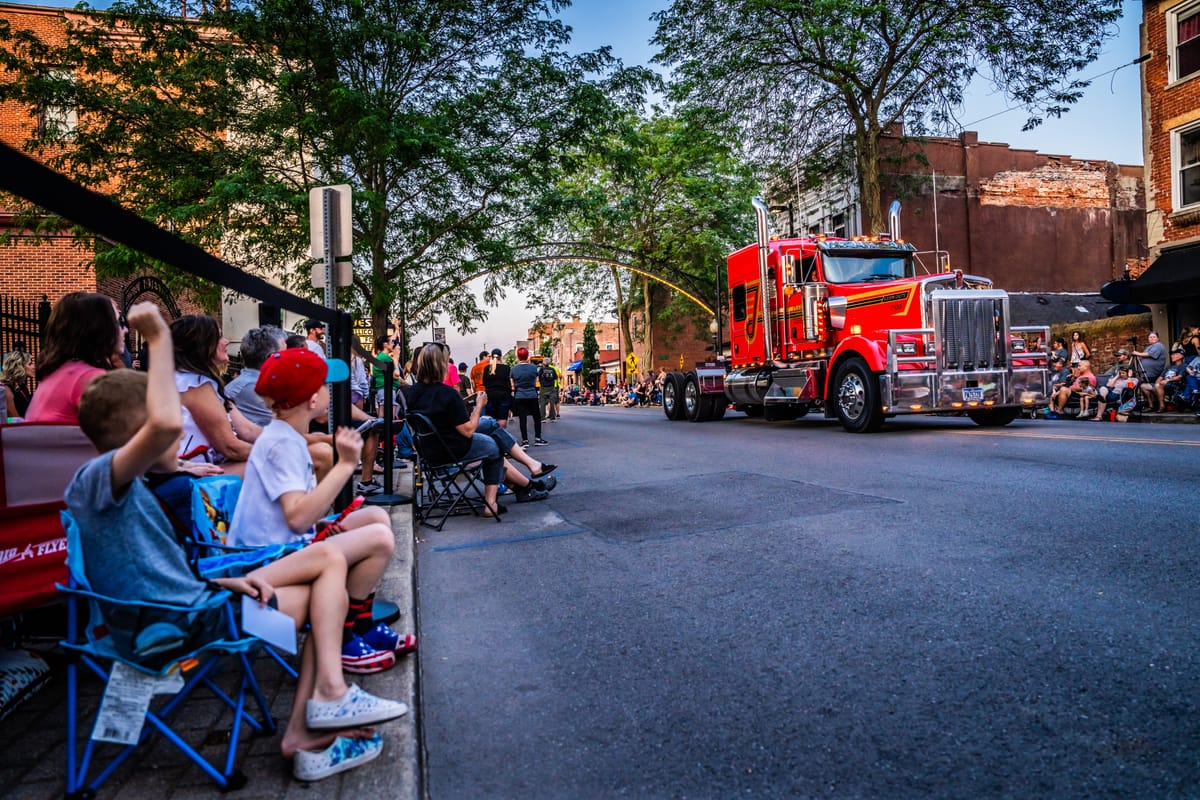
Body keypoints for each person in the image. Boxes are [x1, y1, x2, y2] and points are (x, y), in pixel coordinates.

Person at [68, 302, 407, 782]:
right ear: (140, 433)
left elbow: (169, 565)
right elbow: (164, 426)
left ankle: (311, 727)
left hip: (198, 601)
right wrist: (159, 339)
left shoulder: (129, 486)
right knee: (328, 566)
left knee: (325, 582)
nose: (179, 432)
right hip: (172, 626)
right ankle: (322, 706)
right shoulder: (97, 483)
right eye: (169, 423)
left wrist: (227, 577)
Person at [227, 347, 416, 673]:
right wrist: (344, 466)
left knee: (375, 516)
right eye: (325, 386)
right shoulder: (283, 444)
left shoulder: (287, 436)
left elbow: (296, 517)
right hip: (269, 559)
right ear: (312, 400)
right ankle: (345, 638)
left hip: (285, 547)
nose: (331, 393)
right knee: (378, 538)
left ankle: (362, 625)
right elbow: (297, 517)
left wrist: (325, 524)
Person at [404, 344, 555, 517]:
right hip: (452, 450)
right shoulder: (447, 394)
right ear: (441, 365)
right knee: (493, 446)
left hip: (430, 450)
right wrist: (478, 406)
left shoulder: (413, 393)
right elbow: (467, 430)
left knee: (489, 423)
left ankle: (528, 477)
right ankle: (491, 503)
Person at [171, 316, 258, 476]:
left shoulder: (198, 382)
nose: (226, 342)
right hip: (191, 476)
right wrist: (278, 453)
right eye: (218, 337)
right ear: (201, 345)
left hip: (206, 468)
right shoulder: (193, 384)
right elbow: (229, 447)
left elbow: (248, 429)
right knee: (282, 465)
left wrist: (296, 441)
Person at [25, 292, 121, 423]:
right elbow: (145, 428)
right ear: (99, 329)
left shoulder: (62, 371)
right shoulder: (88, 379)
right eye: (118, 322)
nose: (125, 330)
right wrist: (156, 338)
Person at [225, 326, 287, 428]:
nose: (290, 359)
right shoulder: (251, 387)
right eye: (285, 354)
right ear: (271, 358)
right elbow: (289, 427)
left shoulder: (251, 383)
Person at [510, 347, 546, 447]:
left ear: (518, 356)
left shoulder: (514, 369)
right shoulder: (533, 368)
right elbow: (536, 381)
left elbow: (512, 384)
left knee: (522, 419)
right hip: (532, 394)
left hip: (520, 395)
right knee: (536, 417)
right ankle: (538, 438)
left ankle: (525, 440)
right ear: (527, 356)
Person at [1134, 331, 1168, 410]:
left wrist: (1138, 353)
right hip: (1146, 374)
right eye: (1150, 337)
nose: (1152, 338)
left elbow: (1149, 354)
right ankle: (1151, 405)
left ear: (1158, 338)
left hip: (1154, 374)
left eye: (1154, 337)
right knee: (1143, 386)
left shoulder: (1158, 345)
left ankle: (1160, 404)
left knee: (1155, 386)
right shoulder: (1150, 347)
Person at [481, 347, 512, 428]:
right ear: (500, 357)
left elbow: (484, 383)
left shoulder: (487, 369)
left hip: (490, 396)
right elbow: (509, 383)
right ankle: (502, 437)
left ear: (491, 357)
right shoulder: (506, 368)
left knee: (492, 420)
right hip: (503, 396)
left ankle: (494, 439)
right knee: (502, 420)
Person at [1, 350, 34, 418]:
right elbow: (15, 418)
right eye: (30, 364)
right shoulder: (7, 388)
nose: (34, 366)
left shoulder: (22, 386)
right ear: (20, 367)